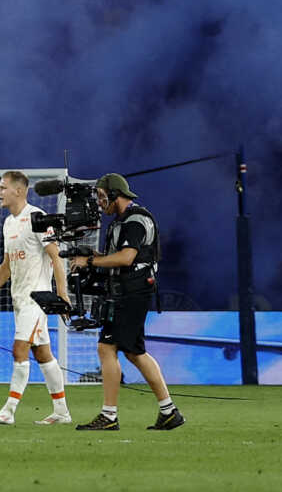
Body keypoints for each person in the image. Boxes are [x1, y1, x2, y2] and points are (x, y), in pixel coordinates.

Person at [63, 173, 183, 432]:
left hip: (132, 291)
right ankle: (169, 411)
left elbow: (127, 258)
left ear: (116, 195)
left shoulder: (135, 220)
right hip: (130, 290)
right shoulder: (123, 220)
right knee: (134, 352)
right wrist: (93, 255)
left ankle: (109, 416)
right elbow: (118, 257)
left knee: (107, 348)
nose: (99, 202)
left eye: (103, 197)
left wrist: (91, 262)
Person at [0, 169, 73, 424]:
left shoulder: (38, 217)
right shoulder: (8, 223)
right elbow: (7, 265)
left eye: (2, 187)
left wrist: (62, 295)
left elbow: (56, 256)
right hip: (19, 300)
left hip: (37, 299)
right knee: (43, 354)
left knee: (19, 350)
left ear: (18, 191)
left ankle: (8, 411)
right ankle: (62, 412)